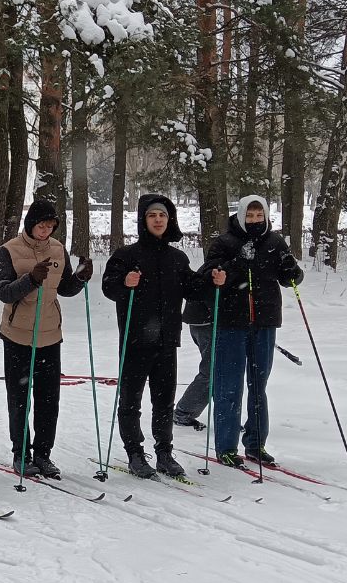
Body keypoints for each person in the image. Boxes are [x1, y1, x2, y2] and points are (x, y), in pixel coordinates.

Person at [101, 194, 226, 479]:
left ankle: (164, 453)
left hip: (167, 341)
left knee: (164, 402)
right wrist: (124, 282)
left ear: (169, 220)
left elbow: (193, 288)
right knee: (130, 401)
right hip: (135, 341)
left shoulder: (177, 258)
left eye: (163, 216)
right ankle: (135, 453)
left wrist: (212, 281)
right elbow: (109, 288)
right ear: (143, 220)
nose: (158, 220)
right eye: (152, 215)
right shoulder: (126, 255)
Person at [0, 198, 92, 478]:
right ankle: (21, 454)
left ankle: (43, 454)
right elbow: (3, 292)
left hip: (50, 335)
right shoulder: (8, 250)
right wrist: (31, 280)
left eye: (50, 226)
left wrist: (81, 278)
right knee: (19, 399)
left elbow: (65, 288)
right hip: (17, 336)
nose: (45, 231)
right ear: (30, 224)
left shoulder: (58, 249)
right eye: (41, 226)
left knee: (49, 400)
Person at [203, 194, 303, 467]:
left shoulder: (275, 242)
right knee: (229, 385)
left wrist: (292, 270)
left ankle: (256, 443)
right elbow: (210, 275)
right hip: (231, 322)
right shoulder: (225, 242)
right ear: (240, 216)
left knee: (259, 385)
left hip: (265, 321)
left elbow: (290, 278)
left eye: (259, 216)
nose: (255, 220)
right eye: (250, 215)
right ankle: (226, 446)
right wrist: (236, 263)